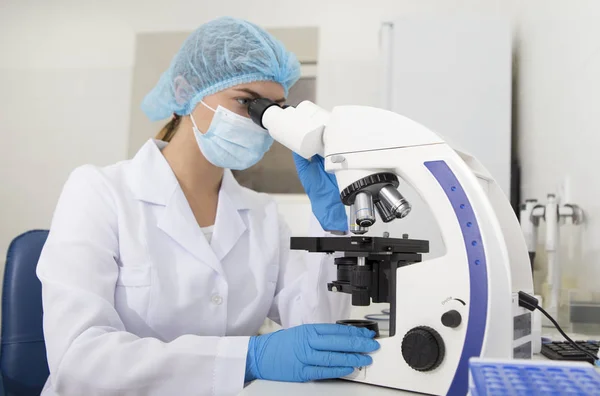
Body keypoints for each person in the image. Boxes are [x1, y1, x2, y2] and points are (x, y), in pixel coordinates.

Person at [36, 16, 379, 396]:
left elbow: (319, 330)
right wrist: (246, 357)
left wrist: (334, 229)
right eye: (248, 103)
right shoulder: (100, 191)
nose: (261, 122)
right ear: (186, 91)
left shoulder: (262, 213)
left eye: (275, 109)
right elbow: (79, 358)